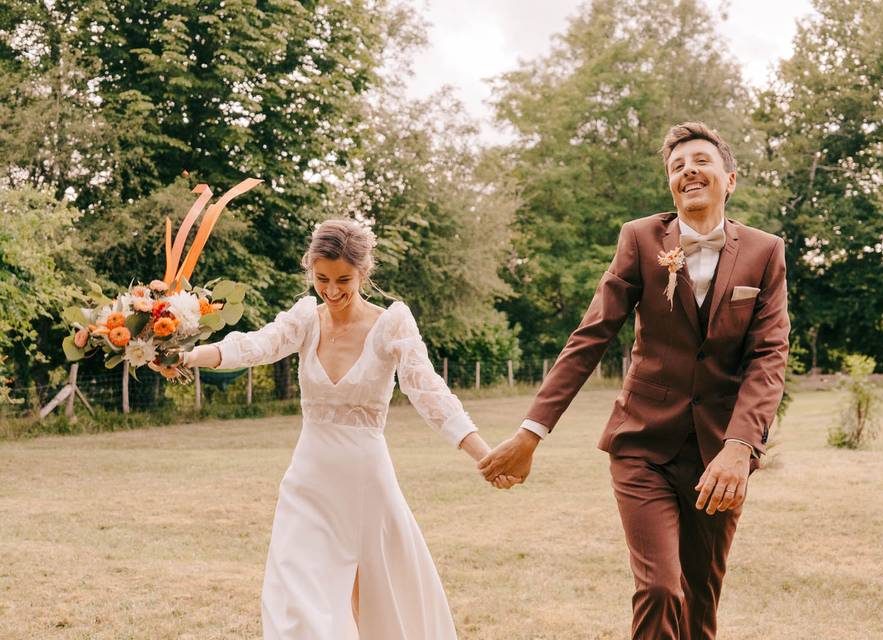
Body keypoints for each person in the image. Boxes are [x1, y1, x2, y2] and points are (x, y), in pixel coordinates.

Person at [479, 122, 790, 639]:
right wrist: (531, 432)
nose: (688, 169)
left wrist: (740, 446)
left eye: (701, 160)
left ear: (729, 179)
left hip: (720, 456)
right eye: (676, 165)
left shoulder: (765, 251)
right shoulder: (641, 239)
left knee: (700, 602)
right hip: (641, 443)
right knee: (661, 588)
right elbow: (590, 337)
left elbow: (769, 355)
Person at [159, 219, 513, 639]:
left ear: (364, 272)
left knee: (383, 604)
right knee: (299, 601)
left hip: (366, 485)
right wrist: (189, 356)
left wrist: (485, 455)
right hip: (308, 483)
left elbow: (430, 393)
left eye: (343, 279)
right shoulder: (306, 318)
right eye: (321, 278)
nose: (331, 289)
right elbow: (255, 345)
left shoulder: (392, 323)